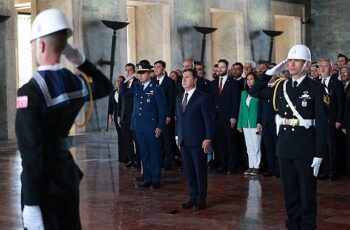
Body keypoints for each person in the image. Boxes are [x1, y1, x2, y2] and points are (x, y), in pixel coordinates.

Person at [15, 8, 113, 229]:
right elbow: (105, 86)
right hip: (66, 175)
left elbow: (31, 153)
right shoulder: (74, 82)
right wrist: (80, 60)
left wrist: (30, 204)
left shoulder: (29, 92)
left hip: (43, 185)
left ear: (40, 45)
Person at [250, 44, 328, 229]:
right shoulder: (281, 86)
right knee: (290, 191)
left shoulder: (316, 88)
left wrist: (319, 154)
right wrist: (270, 73)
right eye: (289, 60)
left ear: (307, 64)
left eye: (296, 60)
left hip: (305, 147)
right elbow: (254, 91)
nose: (291, 64)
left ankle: (308, 225)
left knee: (307, 191)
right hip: (284, 146)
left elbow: (322, 124)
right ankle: (293, 224)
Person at [120, 61, 166, 188]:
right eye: (139, 73)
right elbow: (122, 93)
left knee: (154, 153)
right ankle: (147, 177)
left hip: (152, 127)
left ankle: (155, 179)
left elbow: (162, 110)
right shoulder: (137, 87)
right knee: (144, 153)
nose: (140, 75)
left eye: (143, 73)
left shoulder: (156, 88)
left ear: (149, 73)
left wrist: (160, 126)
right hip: (139, 126)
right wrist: (127, 79)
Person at [176, 68, 213, 211]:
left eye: (187, 77)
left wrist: (208, 138)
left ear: (195, 80)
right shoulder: (179, 97)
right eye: (183, 77)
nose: (184, 80)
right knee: (189, 171)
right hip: (184, 141)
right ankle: (192, 196)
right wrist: (177, 136)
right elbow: (179, 119)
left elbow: (208, 120)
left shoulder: (202, 97)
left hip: (198, 141)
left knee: (200, 171)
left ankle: (201, 199)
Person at [210, 59, 240, 174]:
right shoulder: (213, 83)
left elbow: (235, 101)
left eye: (223, 67)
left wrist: (233, 116)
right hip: (216, 118)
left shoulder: (233, 83)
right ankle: (223, 165)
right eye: (219, 67)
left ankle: (232, 166)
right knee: (220, 143)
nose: (220, 69)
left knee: (230, 143)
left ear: (227, 68)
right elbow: (211, 100)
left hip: (228, 117)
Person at [317, 58, 344, 181]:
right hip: (319, 121)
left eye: (325, 66)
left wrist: (339, 120)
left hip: (332, 121)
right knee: (322, 147)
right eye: (320, 66)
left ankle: (333, 171)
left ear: (330, 67)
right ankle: (324, 170)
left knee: (332, 147)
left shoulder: (336, 83)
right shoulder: (316, 82)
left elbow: (341, 103)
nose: (322, 69)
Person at [237, 72, 262, 176]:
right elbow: (241, 109)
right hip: (245, 123)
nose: (249, 81)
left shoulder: (259, 93)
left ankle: (257, 166)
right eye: (248, 79)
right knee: (249, 146)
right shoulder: (244, 93)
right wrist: (239, 124)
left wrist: (259, 122)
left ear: (255, 80)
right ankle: (251, 166)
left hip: (254, 123)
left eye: (251, 79)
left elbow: (260, 109)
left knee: (256, 146)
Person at [153, 60, 176, 170]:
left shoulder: (169, 82)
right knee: (157, 139)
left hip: (165, 116)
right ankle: (160, 160)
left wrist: (169, 115)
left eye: (158, 67)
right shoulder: (152, 81)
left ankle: (169, 161)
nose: (156, 69)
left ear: (163, 69)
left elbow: (172, 100)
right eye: (155, 67)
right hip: (155, 116)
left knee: (167, 139)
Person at [118, 63, 140, 168]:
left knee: (136, 140)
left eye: (130, 70)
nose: (127, 72)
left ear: (134, 71)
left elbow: (129, 93)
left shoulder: (137, 82)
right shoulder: (123, 83)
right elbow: (122, 93)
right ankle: (131, 159)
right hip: (125, 117)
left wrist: (126, 86)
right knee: (127, 140)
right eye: (126, 70)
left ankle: (138, 160)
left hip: (134, 116)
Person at [108, 75, 126, 163]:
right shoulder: (113, 93)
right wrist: (110, 116)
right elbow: (110, 106)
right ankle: (121, 157)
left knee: (126, 136)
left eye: (120, 81)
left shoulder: (125, 92)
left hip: (124, 117)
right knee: (120, 137)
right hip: (116, 118)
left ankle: (129, 156)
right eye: (117, 81)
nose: (118, 83)